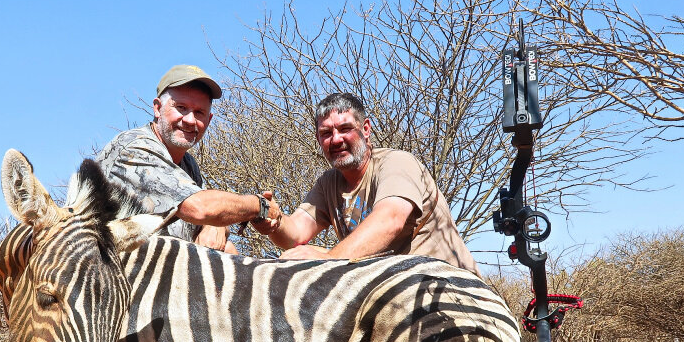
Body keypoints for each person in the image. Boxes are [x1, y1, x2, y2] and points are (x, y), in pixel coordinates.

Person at [255, 92, 481, 276]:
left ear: (365, 129)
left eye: (345, 129)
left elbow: (390, 220)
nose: (336, 139)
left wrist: (329, 259)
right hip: (392, 295)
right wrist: (272, 220)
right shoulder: (328, 184)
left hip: (447, 289)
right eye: (326, 133)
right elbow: (295, 234)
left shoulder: (396, 163)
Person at [96, 65, 279, 253]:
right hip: (109, 275)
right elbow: (200, 208)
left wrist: (215, 226)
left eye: (199, 112)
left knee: (228, 250)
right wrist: (259, 205)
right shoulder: (134, 149)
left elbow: (203, 213)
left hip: (158, 272)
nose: (190, 120)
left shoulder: (188, 165)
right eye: (181, 108)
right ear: (158, 108)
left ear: (209, 119)